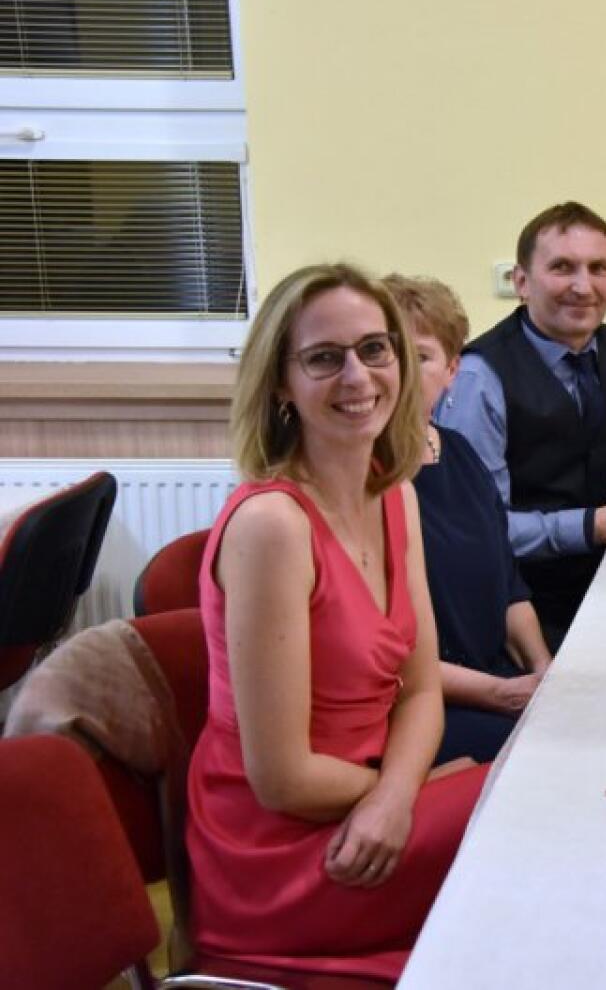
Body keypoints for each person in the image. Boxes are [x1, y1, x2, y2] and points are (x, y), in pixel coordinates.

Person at [186, 264, 486, 981]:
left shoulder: (396, 495)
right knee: (537, 810)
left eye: (374, 349)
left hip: (370, 803)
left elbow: (420, 690)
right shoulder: (273, 525)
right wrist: (407, 791)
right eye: (324, 358)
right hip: (283, 853)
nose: (358, 376)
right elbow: (282, 779)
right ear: (281, 385)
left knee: (539, 814)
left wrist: (402, 790)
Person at [436, 201, 606, 650]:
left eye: (598, 268)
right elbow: (481, 529)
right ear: (521, 282)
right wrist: (598, 524)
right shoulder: (480, 377)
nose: (583, 286)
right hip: (515, 614)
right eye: (562, 267)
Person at [384, 273, 552, 764]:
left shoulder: (459, 452)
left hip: (495, 677)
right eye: (386, 353)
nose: (401, 373)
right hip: (421, 704)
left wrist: (543, 669)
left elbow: (510, 587)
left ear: (452, 370)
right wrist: (507, 694)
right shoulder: (363, 479)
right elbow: (386, 658)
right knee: (560, 753)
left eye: (420, 357)